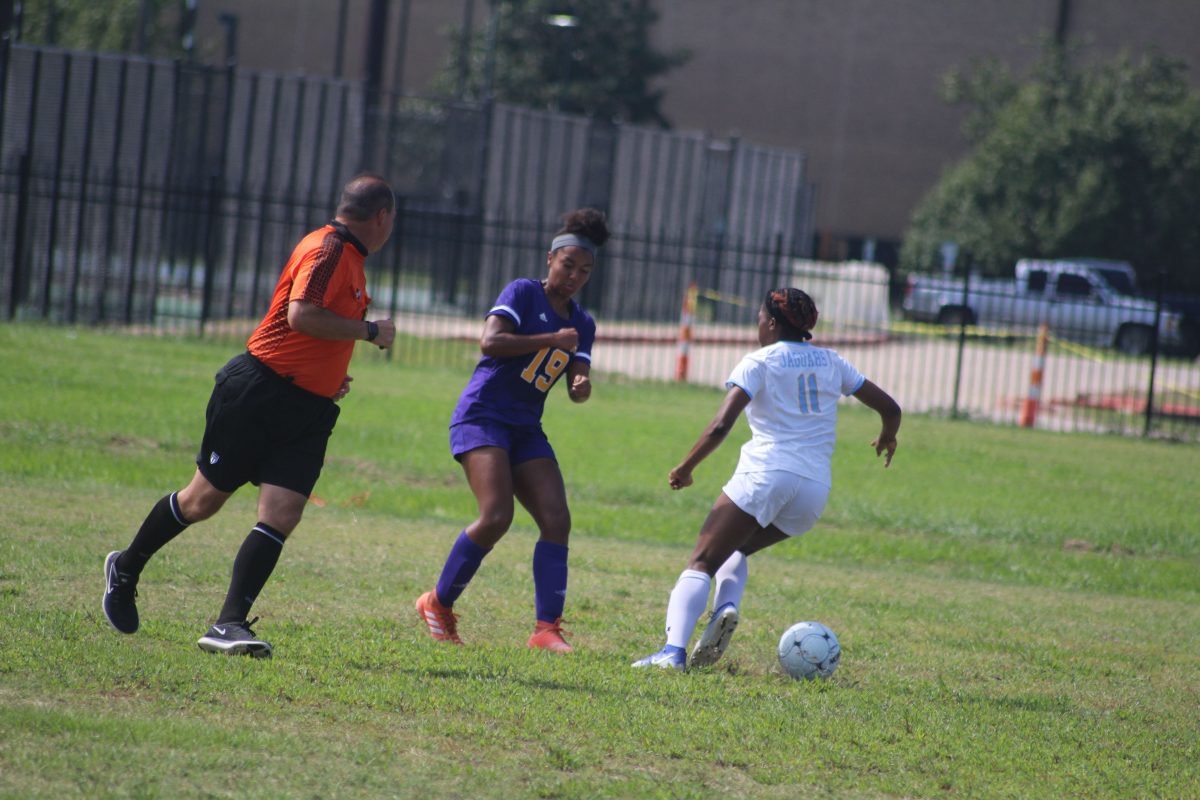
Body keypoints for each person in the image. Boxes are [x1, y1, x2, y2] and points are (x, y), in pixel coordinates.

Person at [102, 173, 399, 658]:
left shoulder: (350, 258)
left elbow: (312, 331)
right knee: (201, 502)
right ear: (382, 217)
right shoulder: (327, 249)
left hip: (308, 409)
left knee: (283, 513)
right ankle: (127, 566)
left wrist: (327, 375)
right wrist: (369, 330)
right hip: (257, 394)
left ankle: (228, 624)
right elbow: (301, 315)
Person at [632, 287, 901, 671]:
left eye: (760, 318)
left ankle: (672, 653)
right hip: (813, 491)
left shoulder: (759, 362)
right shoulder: (831, 362)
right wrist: (888, 435)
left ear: (771, 323)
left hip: (766, 474)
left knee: (701, 562)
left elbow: (720, 425)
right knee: (736, 549)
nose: (757, 325)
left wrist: (685, 468)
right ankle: (726, 607)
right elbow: (890, 407)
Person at [414, 208, 610, 653]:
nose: (575, 275)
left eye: (585, 270)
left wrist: (581, 386)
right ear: (550, 259)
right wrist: (548, 339)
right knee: (497, 515)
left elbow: (576, 378)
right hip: (483, 415)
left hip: (525, 427)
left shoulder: (583, 323)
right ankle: (437, 604)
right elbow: (490, 342)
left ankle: (546, 630)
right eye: (568, 265)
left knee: (557, 519)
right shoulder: (523, 293)